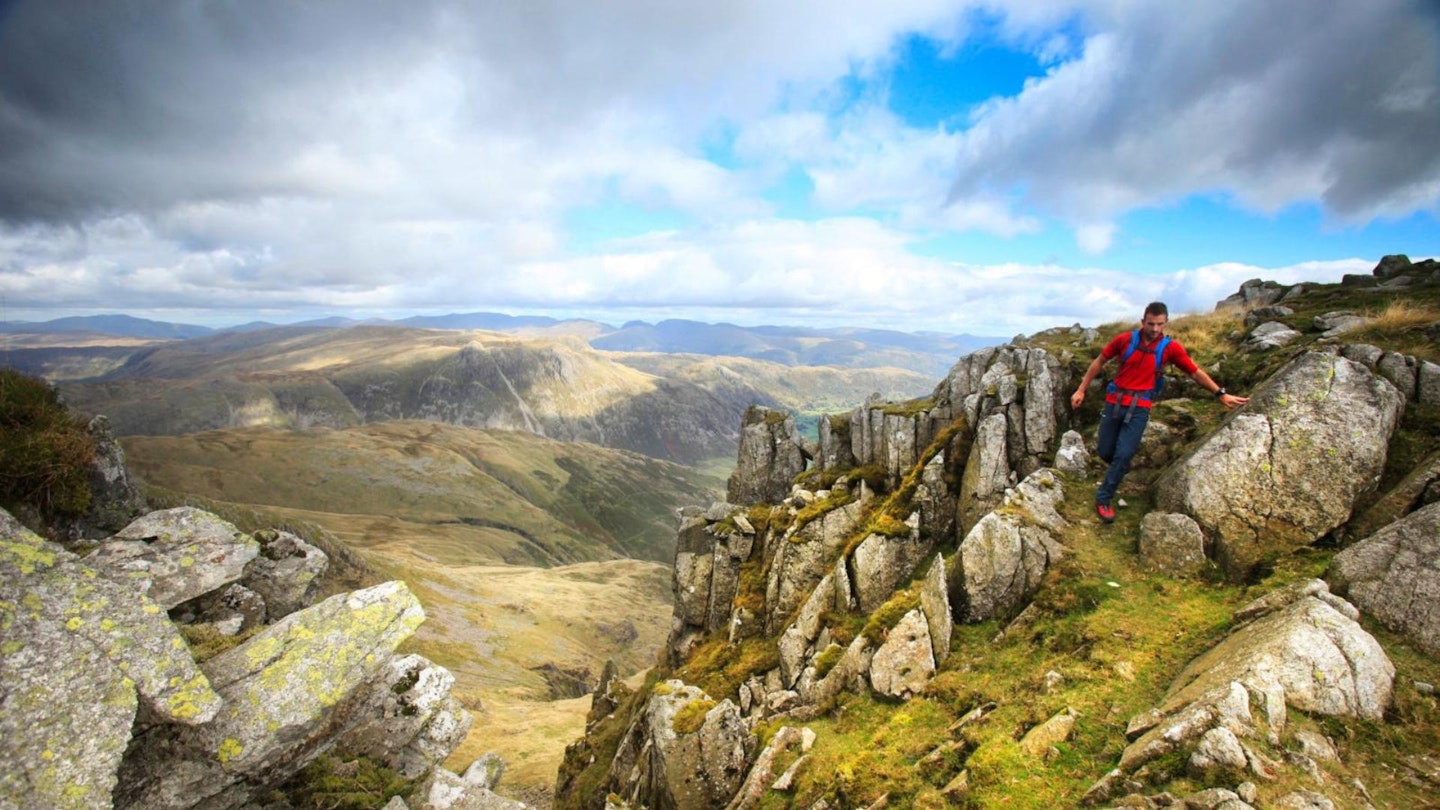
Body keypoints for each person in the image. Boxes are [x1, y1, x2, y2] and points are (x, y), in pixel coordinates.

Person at [1070, 302, 1249, 523]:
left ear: (1165, 323)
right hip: (1114, 402)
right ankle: (1120, 468)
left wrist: (1220, 393)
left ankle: (1103, 498)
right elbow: (1100, 362)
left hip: (1140, 408)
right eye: (1151, 324)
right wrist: (1081, 389)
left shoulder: (1170, 348)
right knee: (1105, 451)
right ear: (1142, 321)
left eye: (1160, 324)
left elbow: (1194, 372)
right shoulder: (1124, 340)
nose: (1155, 329)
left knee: (1124, 454)